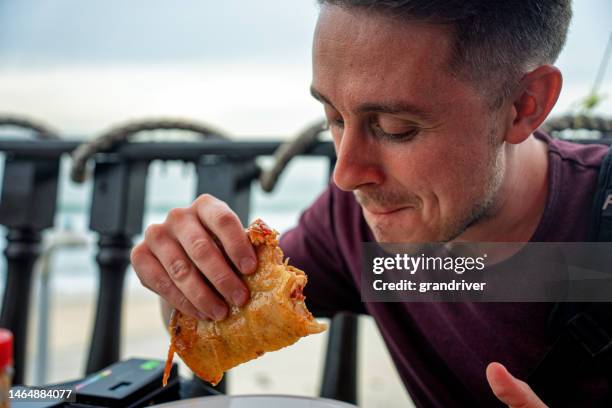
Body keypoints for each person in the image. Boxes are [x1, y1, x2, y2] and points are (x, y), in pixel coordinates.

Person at [130, 1, 610, 406]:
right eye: (333, 118)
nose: (346, 174)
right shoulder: (355, 225)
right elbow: (208, 317)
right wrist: (188, 272)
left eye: (395, 128)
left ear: (525, 104)